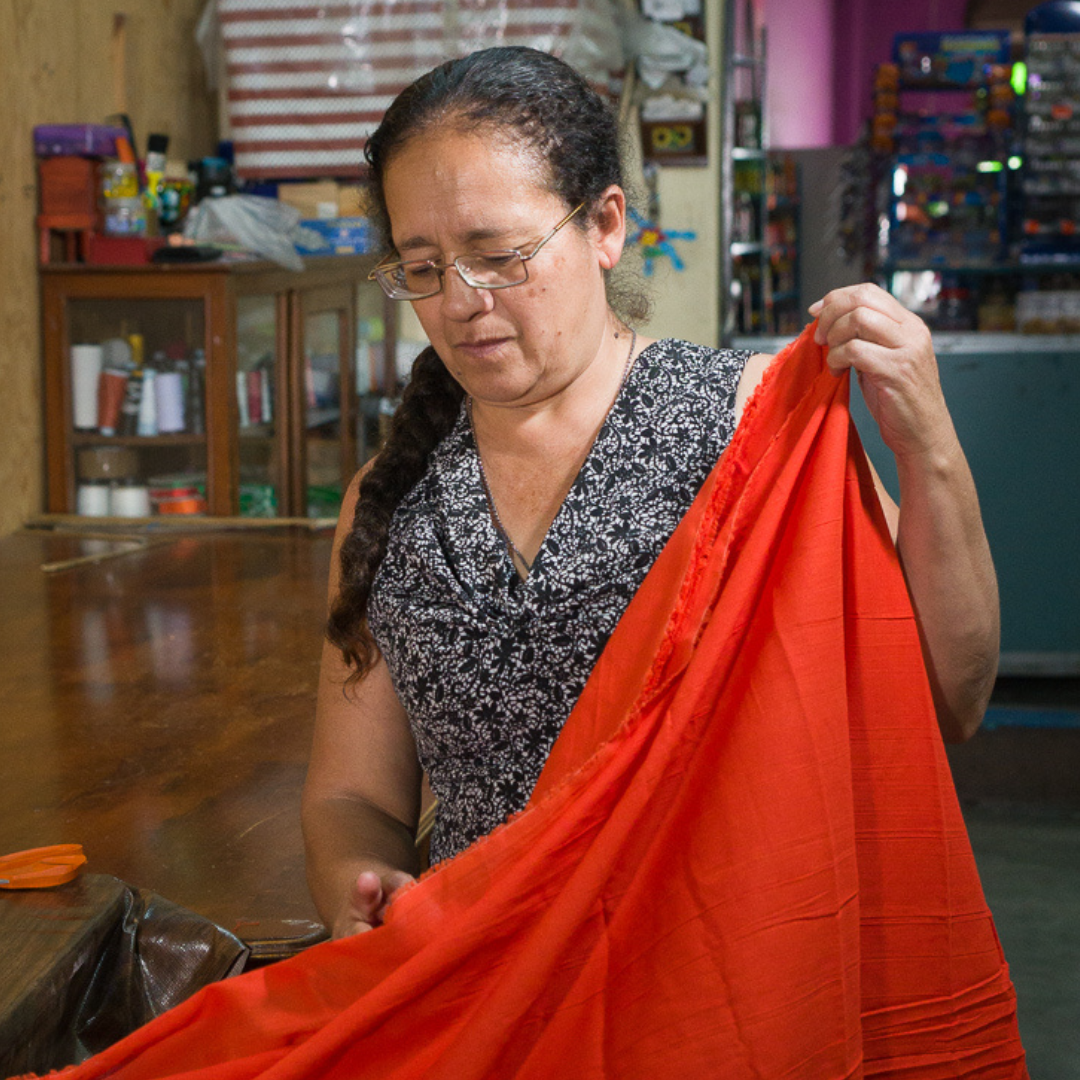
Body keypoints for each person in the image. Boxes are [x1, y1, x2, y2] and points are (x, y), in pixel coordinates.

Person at [301, 46, 999, 941]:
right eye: (424, 268)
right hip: (489, 975)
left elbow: (949, 698)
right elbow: (352, 796)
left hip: (717, 969)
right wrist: (359, 888)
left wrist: (930, 449)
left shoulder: (748, 428)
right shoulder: (395, 499)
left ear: (604, 226)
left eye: (499, 255)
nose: (461, 302)